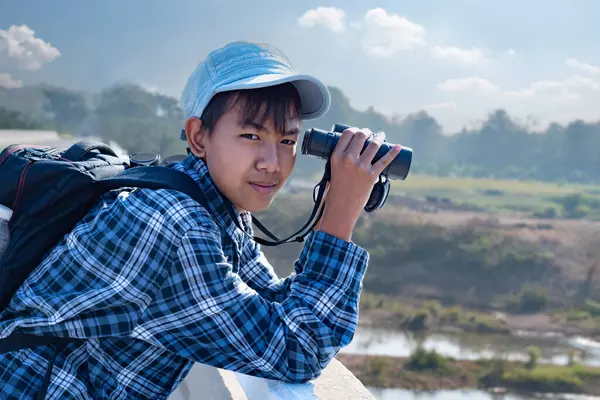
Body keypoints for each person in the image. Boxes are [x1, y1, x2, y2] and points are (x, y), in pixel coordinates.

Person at [0, 41, 401, 399]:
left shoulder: (216, 207)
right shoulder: (175, 222)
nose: (273, 163)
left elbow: (271, 306)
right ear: (198, 137)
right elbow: (298, 350)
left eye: (288, 140)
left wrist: (337, 197)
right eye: (251, 136)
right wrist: (340, 216)